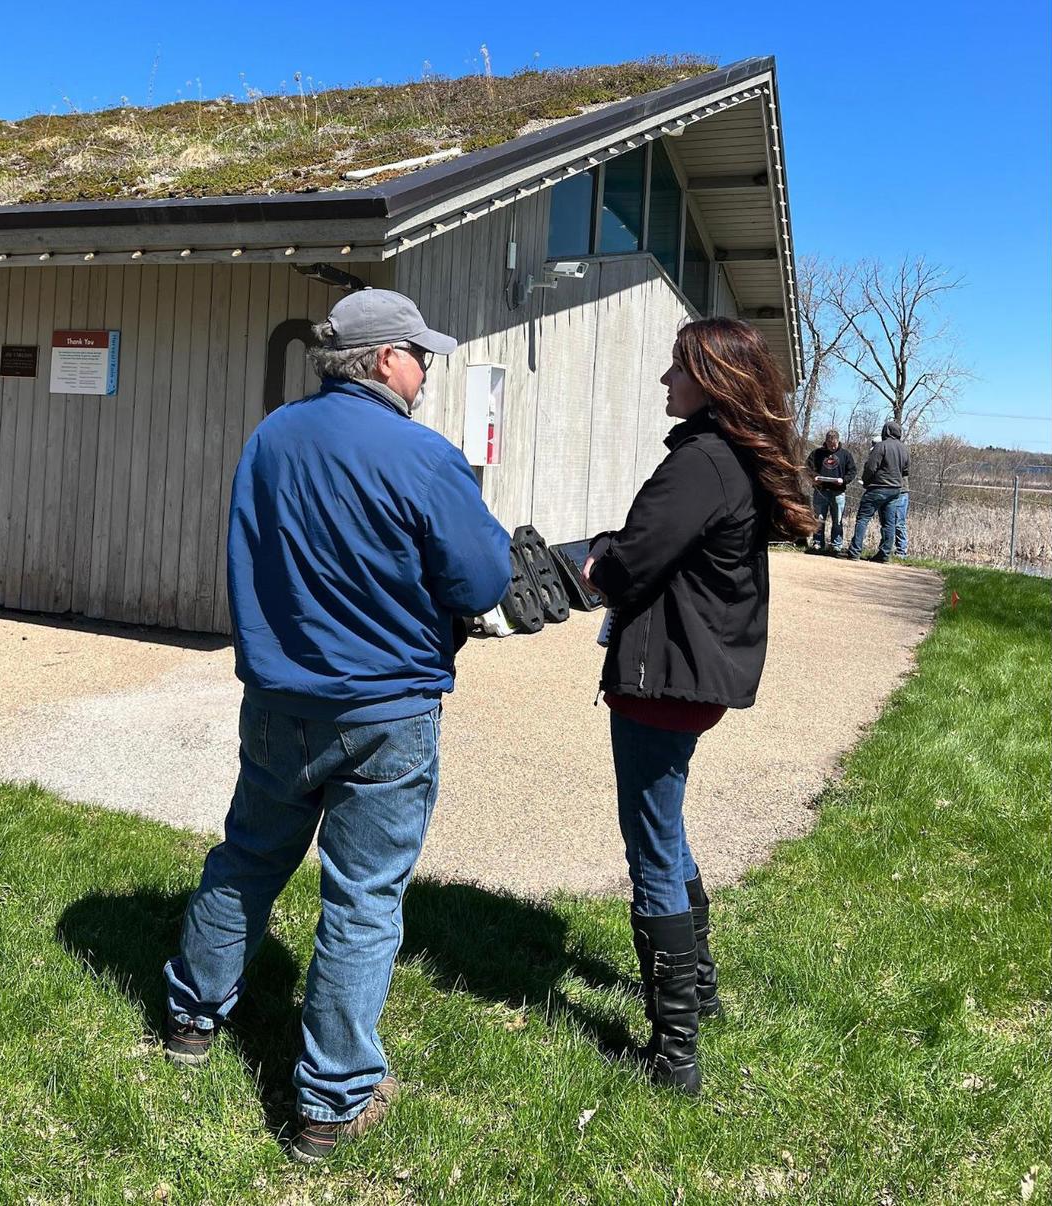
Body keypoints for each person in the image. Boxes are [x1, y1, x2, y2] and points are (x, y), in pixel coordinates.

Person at [163, 288, 511, 1162]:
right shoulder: (423, 455)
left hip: (279, 699)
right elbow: (483, 582)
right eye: (419, 354)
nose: (427, 369)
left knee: (247, 857)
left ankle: (190, 1021)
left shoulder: (271, 437)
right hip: (387, 711)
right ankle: (330, 1099)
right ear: (385, 360)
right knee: (362, 899)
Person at [581, 318, 813, 1095]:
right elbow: (665, 548)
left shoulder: (704, 462)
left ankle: (674, 1054)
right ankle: (701, 993)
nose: (664, 382)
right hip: (690, 678)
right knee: (667, 828)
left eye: (676, 369)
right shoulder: (726, 459)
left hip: (668, 681)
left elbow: (636, 559)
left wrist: (595, 558)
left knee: (649, 847)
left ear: (712, 379)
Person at [846, 420, 910, 562]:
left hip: (878, 487)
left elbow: (870, 467)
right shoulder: (904, 449)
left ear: (885, 431)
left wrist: (866, 482)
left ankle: (855, 551)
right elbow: (906, 470)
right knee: (889, 523)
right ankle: (884, 554)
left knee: (863, 519)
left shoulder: (881, 446)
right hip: (895, 490)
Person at [805, 428, 857, 553]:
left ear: (838, 442)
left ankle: (836, 545)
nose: (832, 447)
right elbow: (807, 467)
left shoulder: (845, 455)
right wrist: (814, 478)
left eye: (834, 445)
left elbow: (852, 471)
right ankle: (818, 543)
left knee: (837, 520)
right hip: (821, 490)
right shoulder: (817, 453)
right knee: (819, 518)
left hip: (838, 492)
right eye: (829, 445)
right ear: (826, 442)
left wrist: (843, 480)